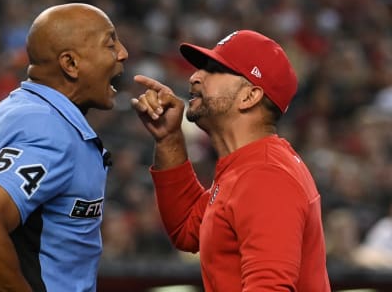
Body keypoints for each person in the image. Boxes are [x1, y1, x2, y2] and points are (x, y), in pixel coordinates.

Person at [131, 30, 331, 291]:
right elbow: (186, 228)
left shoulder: (266, 175)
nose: (194, 77)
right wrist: (169, 139)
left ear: (250, 96)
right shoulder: (246, 165)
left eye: (214, 69)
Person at [0, 3, 128, 291]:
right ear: (70, 64)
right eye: (110, 44)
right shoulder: (48, 130)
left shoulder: (23, 108)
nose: (123, 53)